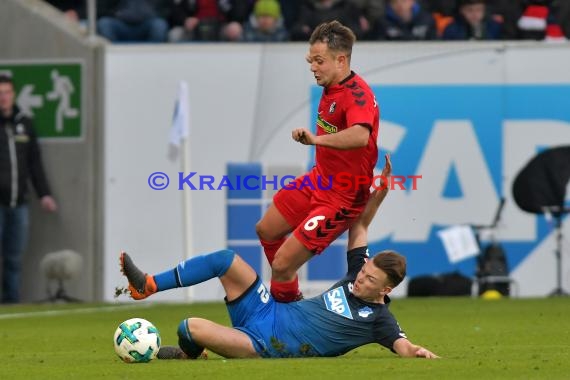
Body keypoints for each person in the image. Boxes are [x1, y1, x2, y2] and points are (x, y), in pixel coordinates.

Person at [119, 156, 439, 359]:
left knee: (188, 328)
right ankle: (147, 285)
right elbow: (361, 225)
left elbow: (403, 347)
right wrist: (378, 195)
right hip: (266, 309)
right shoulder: (357, 275)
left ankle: (192, 356)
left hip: (264, 345)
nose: (360, 278)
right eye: (364, 270)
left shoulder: (380, 322)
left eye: (370, 280)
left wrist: (418, 352)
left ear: (385, 290)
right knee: (225, 260)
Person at [256, 20, 380, 302]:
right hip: (319, 180)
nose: (312, 67)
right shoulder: (332, 85)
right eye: (310, 60)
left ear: (341, 60)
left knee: (282, 265)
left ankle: (286, 320)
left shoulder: (358, 95)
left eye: (318, 61)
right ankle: (288, 294)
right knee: (266, 229)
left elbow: (360, 136)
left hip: (343, 197)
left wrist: (316, 140)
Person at [0, 75, 58, 304]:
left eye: (6, 93)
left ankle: (12, 300)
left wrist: (44, 193)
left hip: (19, 202)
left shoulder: (24, 122)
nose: (3, 98)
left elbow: (35, 162)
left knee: (14, 257)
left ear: (13, 94)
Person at [96, 0, 170, 43]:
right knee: (104, 23)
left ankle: (152, 57)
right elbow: (103, 7)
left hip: (147, 24)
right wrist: (115, 13)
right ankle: (116, 55)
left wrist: (152, 14)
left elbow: (167, 9)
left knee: (159, 25)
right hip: (121, 24)